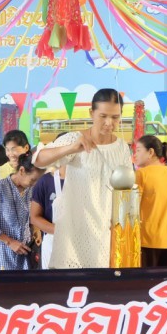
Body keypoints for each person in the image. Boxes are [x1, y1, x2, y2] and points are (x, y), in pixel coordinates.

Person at [33, 88, 133, 268]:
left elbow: (125, 190)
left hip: (106, 235)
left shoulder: (122, 148)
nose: (109, 123)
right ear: (91, 113)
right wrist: (71, 148)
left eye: (115, 117)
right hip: (73, 234)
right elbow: (39, 160)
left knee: (102, 283)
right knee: (71, 282)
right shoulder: (76, 139)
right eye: (103, 116)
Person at [0, 153, 45, 270]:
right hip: (0, 255)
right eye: (33, 180)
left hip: (23, 254)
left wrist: (36, 229)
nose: (35, 184)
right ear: (22, 171)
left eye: (37, 181)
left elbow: (32, 215)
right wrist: (10, 242)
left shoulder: (31, 190)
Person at [134, 134, 167, 267]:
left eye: (138, 150)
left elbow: (133, 209)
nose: (135, 155)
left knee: (146, 279)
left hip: (148, 240)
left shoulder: (141, 174)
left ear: (150, 152)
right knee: (166, 279)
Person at [30, 165, 65, 269]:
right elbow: (34, 217)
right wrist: (61, 231)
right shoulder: (46, 181)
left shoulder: (87, 181)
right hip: (52, 242)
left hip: (81, 241)